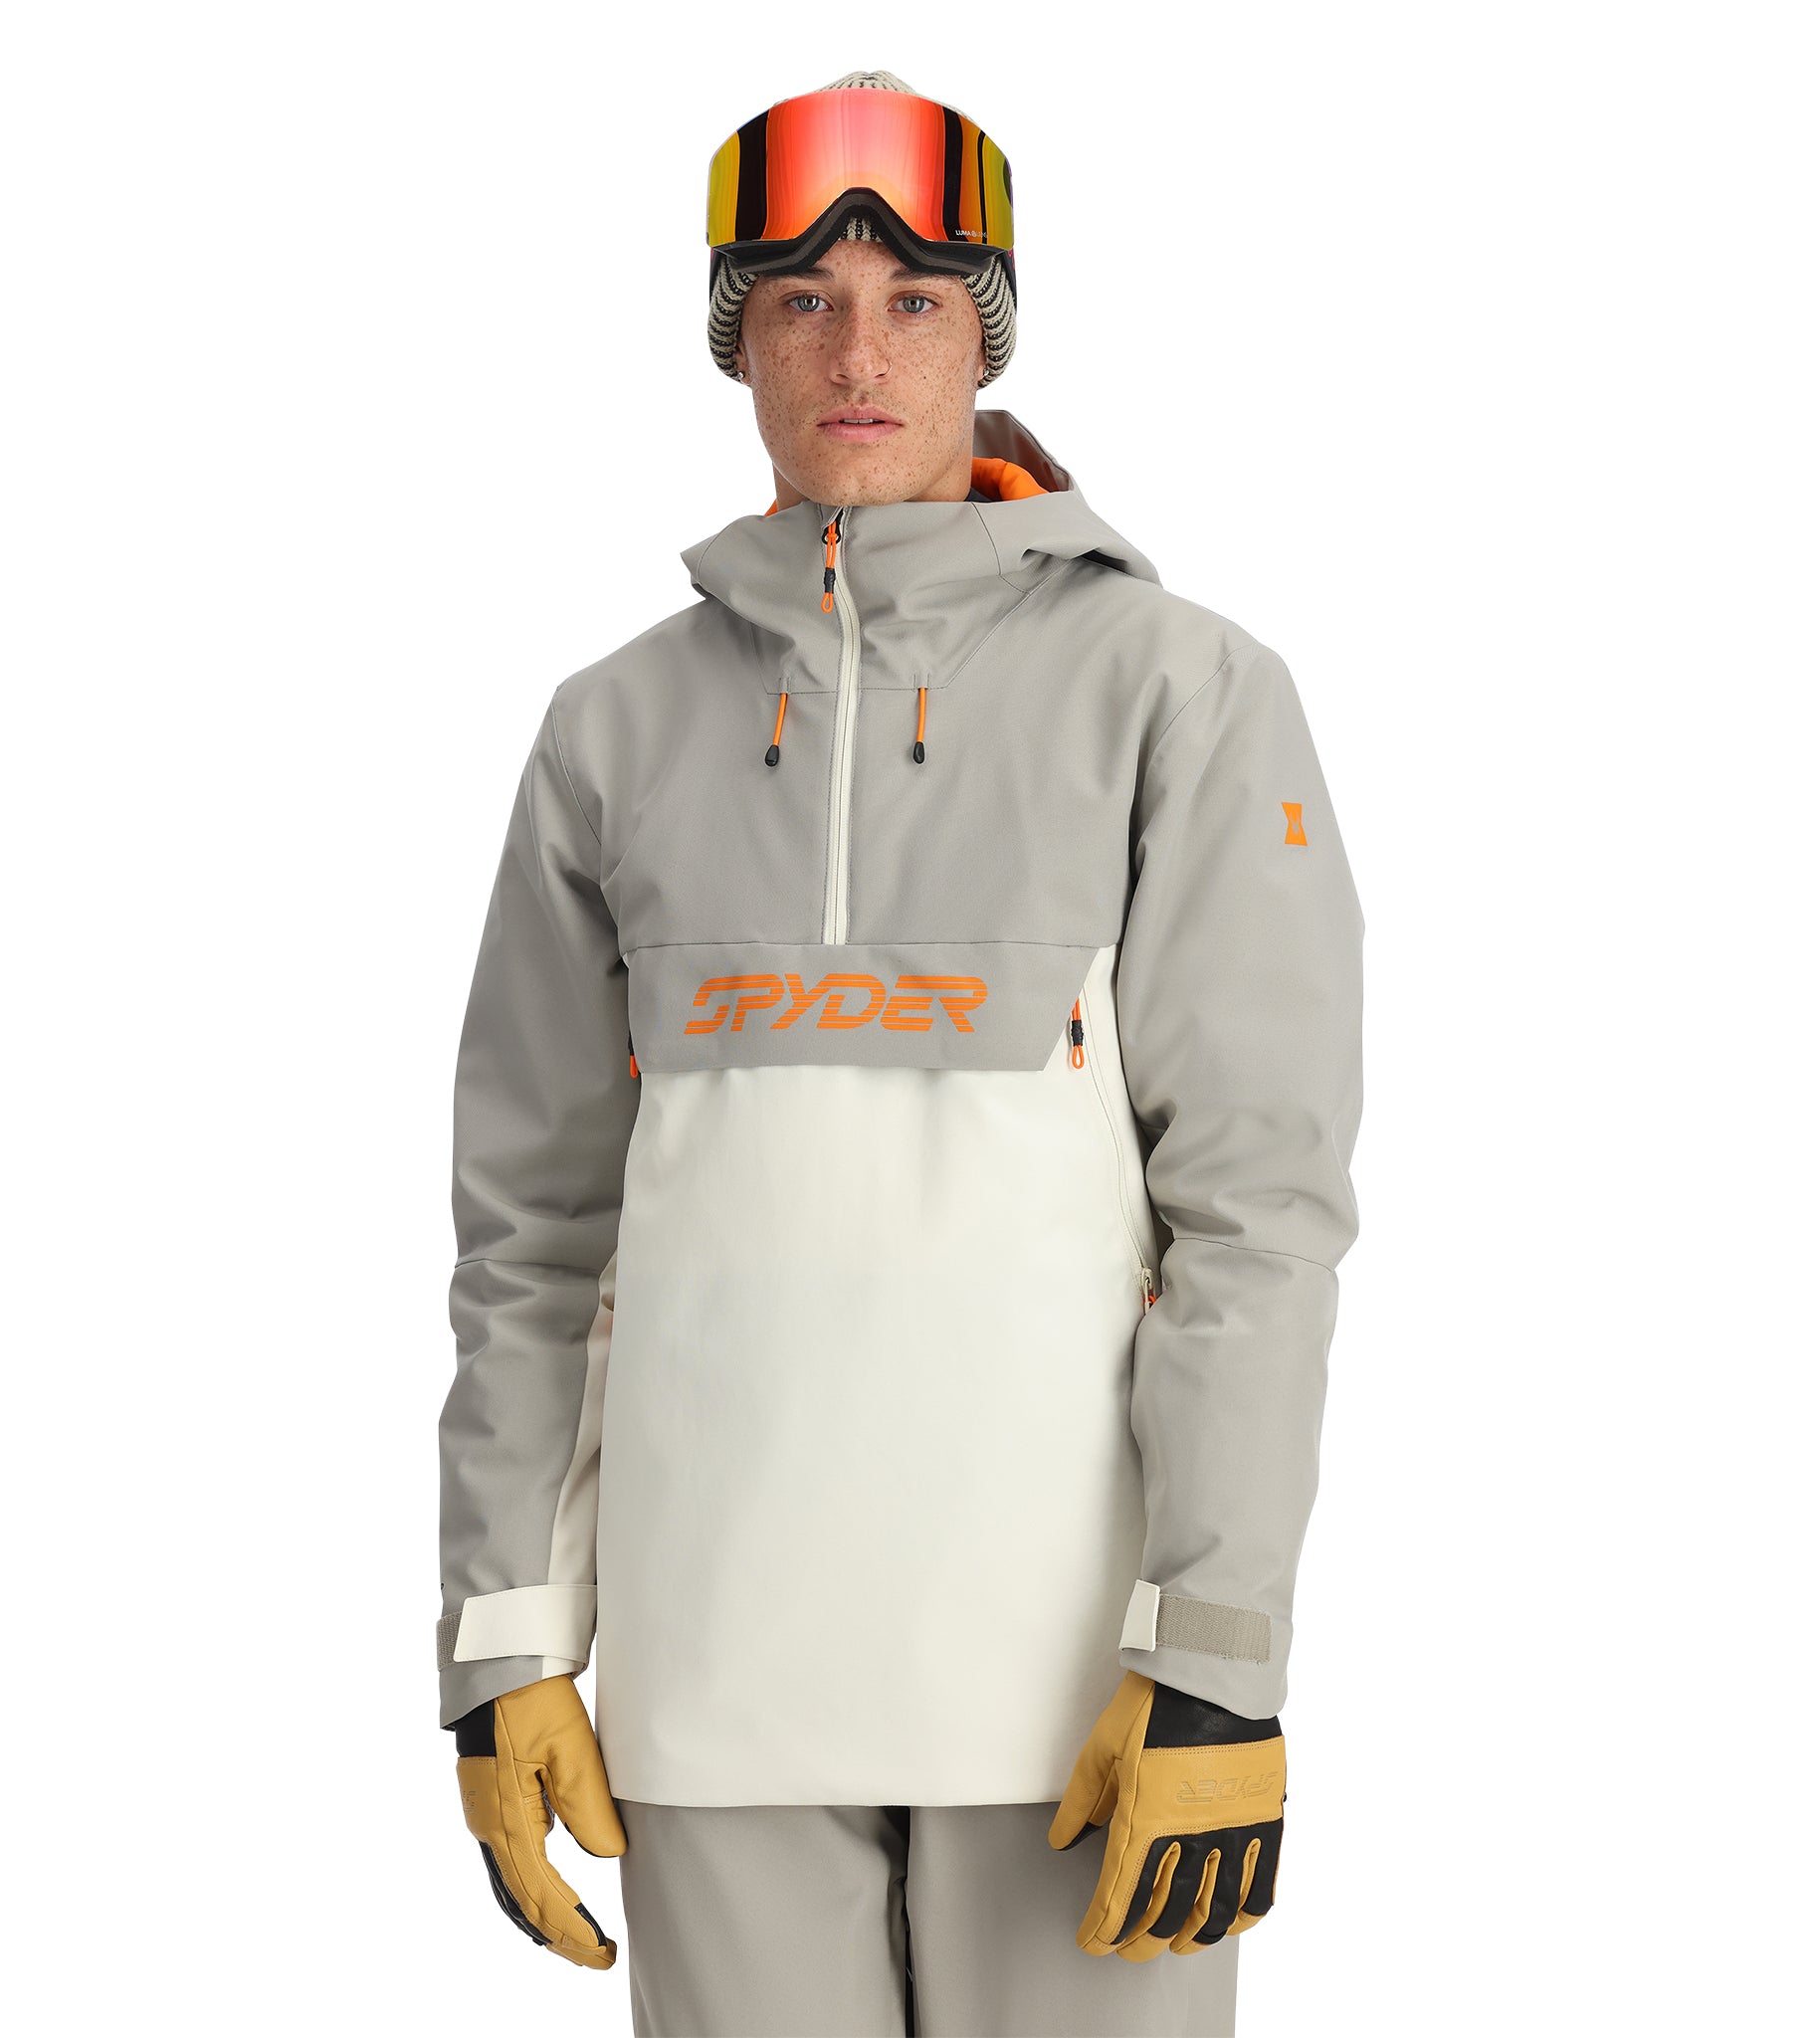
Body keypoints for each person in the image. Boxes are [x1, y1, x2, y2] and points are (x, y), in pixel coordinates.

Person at [437, 70, 1362, 2038]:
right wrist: (504, 1641)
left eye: (916, 299)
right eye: (800, 301)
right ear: (735, 342)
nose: (858, 353)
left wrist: (1217, 1660)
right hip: (713, 1703)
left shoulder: (1178, 691)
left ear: (986, 335)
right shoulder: (611, 729)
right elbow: (532, 1233)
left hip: (1083, 1711)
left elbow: (1257, 1215)